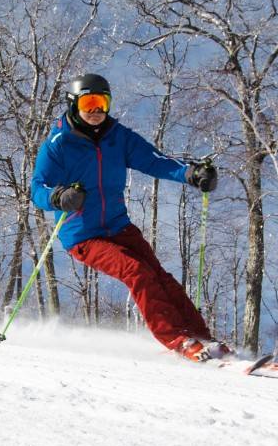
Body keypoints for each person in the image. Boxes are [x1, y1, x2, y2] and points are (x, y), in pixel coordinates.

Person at [31, 73, 225, 361]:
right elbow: (38, 188)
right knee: (137, 272)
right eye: (89, 102)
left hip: (119, 227)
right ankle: (177, 340)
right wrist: (59, 197)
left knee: (160, 276)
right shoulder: (58, 144)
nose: (96, 111)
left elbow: (154, 160)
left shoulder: (117, 137)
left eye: (102, 103)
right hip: (83, 235)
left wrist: (191, 173)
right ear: (74, 105)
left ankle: (202, 338)